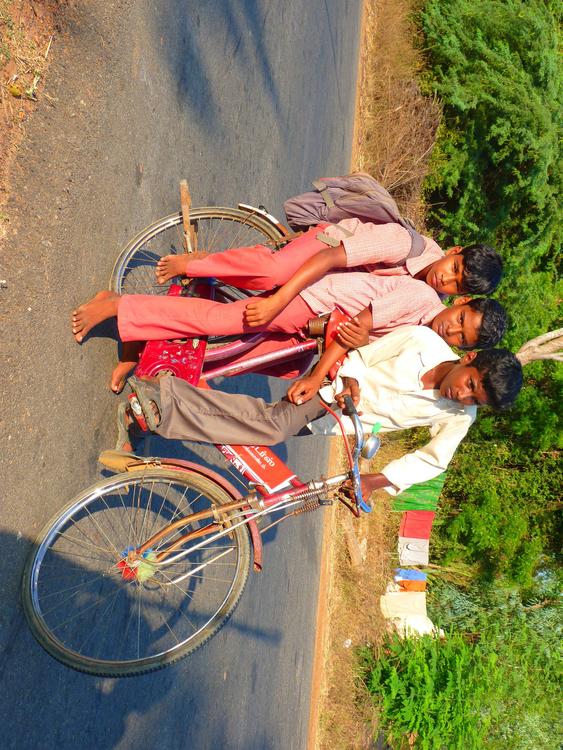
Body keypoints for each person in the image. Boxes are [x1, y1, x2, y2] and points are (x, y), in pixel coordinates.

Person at [119, 325, 523, 498]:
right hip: (329, 387)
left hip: (338, 425)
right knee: (270, 426)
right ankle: (162, 399)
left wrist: (376, 480)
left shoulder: (458, 417)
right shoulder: (422, 341)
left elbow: (433, 461)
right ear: (469, 358)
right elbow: (362, 355)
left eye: (475, 400)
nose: (463, 395)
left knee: (248, 429)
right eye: (470, 384)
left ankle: (154, 421)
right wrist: (349, 379)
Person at [71, 273, 507, 392]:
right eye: (462, 320)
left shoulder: (426, 339)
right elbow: (361, 327)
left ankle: (141, 343)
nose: (455, 330)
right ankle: (115, 305)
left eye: (463, 338)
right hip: (313, 304)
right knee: (218, 322)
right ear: (460, 304)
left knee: (234, 359)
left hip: (317, 335)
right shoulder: (421, 302)